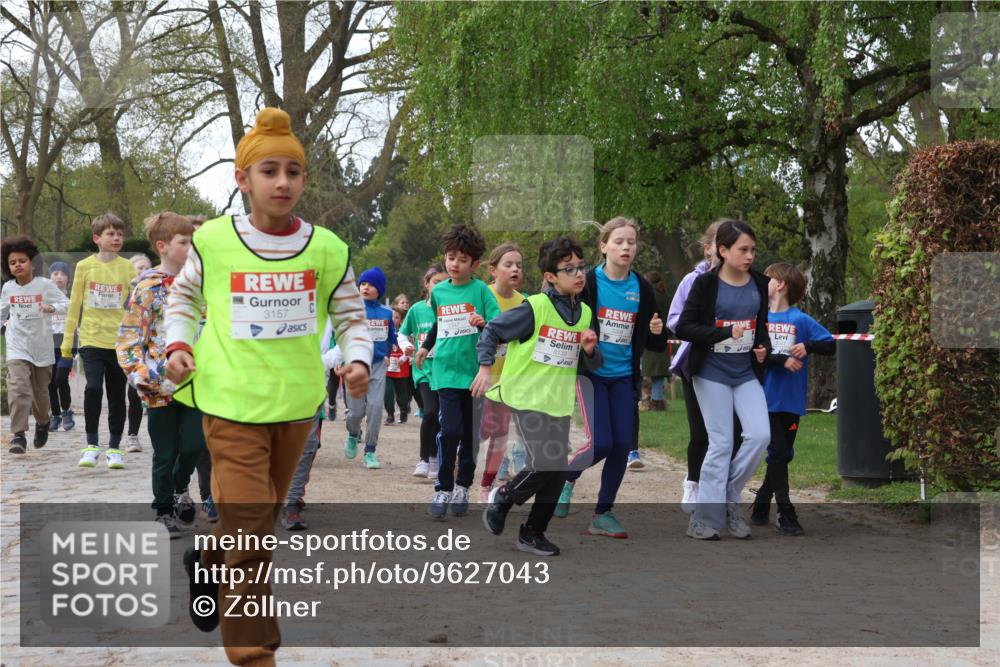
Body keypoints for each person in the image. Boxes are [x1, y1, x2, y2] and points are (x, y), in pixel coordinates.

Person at [164, 107, 372, 667]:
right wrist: (178, 345)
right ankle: (256, 658)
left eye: (293, 172)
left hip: (296, 408)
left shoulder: (327, 247)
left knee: (253, 526)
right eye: (269, 171)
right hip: (230, 405)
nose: (282, 182)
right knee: (254, 539)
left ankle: (208, 558)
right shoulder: (213, 241)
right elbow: (183, 300)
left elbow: (352, 316)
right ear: (243, 179)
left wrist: (356, 359)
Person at [474, 236, 601, 556]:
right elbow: (492, 331)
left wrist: (589, 349)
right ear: (550, 277)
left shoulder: (585, 313)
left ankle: (532, 533)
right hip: (525, 395)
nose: (578, 274)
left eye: (581, 267)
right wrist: (486, 368)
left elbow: (593, 362)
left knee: (557, 470)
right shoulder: (534, 307)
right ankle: (503, 497)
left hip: (557, 400)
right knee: (547, 462)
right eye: (569, 269)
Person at [554, 217, 667, 538]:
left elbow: (653, 341)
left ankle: (603, 513)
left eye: (631, 242)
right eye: (619, 241)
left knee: (621, 445)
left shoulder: (642, 288)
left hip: (624, 376)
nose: (626, 247)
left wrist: (658, 331)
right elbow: (567, 320)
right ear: (603, 246)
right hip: (592, 374)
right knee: (601, 442)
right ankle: (567, 476)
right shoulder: (587, 282)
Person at [675, 218, 771, 540]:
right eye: (743, 250)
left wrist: (762, 349)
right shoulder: (705, 284)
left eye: (753, 250)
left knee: (760, 435)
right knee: (721, 443)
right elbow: (685, 327)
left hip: (744, 372)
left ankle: (730, 494)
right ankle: (702, 519)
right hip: (710, 372)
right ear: (723, 250)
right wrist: (723, 333)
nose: (749, 256)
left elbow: (761, 330)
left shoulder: (759, 282)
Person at [116, 213, 205, 538]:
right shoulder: (146, 286)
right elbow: (128, 338)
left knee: (194, 444)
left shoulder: (203, 283)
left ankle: (182, 487)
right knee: (165, 452)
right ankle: (163, 509)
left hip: (198, 382)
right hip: (159, 382)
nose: (192, 248)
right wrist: (140, 373)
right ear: (163, 246)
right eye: (185, 243)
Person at [415, 223, 500, 519]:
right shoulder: (438, 291)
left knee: (471, 436)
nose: (455, 264)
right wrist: (426, 346)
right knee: (449, 430)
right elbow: (439, 324)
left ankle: (464, 485)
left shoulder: (481, 291)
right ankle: (443, 488)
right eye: (451, 258)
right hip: (446, 372)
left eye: (462, 260)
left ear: (474, 263)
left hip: (475, 375)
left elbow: (498, 324)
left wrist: (482, 322)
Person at [750, 262, 835, 535]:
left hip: (792, 402)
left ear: (780, 284)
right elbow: (753, 355)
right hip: (763, 399)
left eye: (767, 279)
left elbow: (830, 344)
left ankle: (761, 503)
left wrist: (807, 345)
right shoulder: (757, 319)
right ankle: (786, 513)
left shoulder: (800, 320)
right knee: (777, 452)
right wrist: (780, 360)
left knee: (782, 454)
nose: (762, 283)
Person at [61, 213, 137, 469]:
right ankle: (91, 444)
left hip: (118, 342)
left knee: (117, 396)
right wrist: (67, 344)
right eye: (111, 234)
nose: (117, 238)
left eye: (120, 234)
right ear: (97, 238)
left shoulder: (127, 268)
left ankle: (115, 448)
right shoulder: (84, 266)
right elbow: (74, 306)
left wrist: (136, 340)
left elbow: (135, 306)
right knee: (93, 388)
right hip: (91, 339)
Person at [2, 236, 69, 453]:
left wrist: (52, 308)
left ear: (32, 262)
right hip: (17, 344)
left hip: (41, 345)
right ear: (8, 268)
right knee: (18, 388)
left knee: (41, 393)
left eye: (22, 260)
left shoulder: (45, 285)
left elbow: (65, 304)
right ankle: (18, 435)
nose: (18, 265)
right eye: (13, 263)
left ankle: (42, 423)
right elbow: (2, 311)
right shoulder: (8, 288)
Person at [477, 242, 526, 503]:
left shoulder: (525, 303)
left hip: (507, 379)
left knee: (499, 434)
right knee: (476, 433)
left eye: (518, 265)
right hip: (477, 375)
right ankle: (453, 477)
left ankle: (487, 484)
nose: (515, 269)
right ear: (493, 270)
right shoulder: (481, 295)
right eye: (508, 265)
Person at [343, 266, 396, 469]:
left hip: (377, 366)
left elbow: (391, 337)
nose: (366, 287)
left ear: (380, 290)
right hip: (355, 366)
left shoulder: (386, 313)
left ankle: (370, 451)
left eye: (372, 285)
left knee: (375, 409)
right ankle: (353, 433)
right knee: (355, 413)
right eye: (363, 284)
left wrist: (391, 353)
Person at [399, 263, 447, 479]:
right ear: (426, 284)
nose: (441, 286)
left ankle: (436, 459)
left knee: (441, 415)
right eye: (436, 282)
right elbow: (401, 333)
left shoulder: (450, 307)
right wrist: (405, 347)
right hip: (423, 370)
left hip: (446, 370)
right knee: (429, 412)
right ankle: (424, 460)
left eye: (446, 282)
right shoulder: (417, 310)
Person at [123, 253, 153, 452]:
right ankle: (132, 435)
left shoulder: (157, 288)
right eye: (138, 268)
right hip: (134, 344)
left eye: (146, 268)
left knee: (156, 392)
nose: (142, 272)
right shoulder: (127, 292)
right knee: (134, 391)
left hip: (154, 344)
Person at [46, 261, 76, 432]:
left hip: (67, 344)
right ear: (49, 277)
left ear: (68, 279)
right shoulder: (43, 299)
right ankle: (55, 415)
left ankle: (66, 412)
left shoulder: (73, 298)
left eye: (63, 274)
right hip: (48, 343)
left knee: (60, 378)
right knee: (50, 382)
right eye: (55, 273)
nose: (59, 277)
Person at [383, 307, 412, 425]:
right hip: (387, 366)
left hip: (401, 366)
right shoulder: (383, 331)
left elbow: (409, 348)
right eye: (391, 317)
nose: (393, 320)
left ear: (400, 320)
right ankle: (390, 414)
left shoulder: (404, 333)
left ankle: (404, 409)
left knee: (402, 394)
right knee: (388, 391)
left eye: (396, 318)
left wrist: (404, 358)